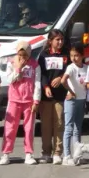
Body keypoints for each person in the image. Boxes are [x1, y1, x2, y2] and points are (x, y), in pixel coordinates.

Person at [0, 42, 41, 165]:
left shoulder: (35, 65)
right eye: (20, 55)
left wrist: (36, 100)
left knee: (28, 128)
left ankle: (29, 153)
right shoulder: (11, 63)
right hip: (14, 100)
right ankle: (6, 153)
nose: (23, 58)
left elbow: (37, 83)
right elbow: (10, 80)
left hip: (29, 101)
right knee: (10, 127)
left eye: (25, 55)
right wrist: (19, 69)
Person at [38, 30, 69, 165]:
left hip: (60, 95)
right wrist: (46, 87)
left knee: (59, 124)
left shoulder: (65, 55)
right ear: (50, 41)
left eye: (62, 39)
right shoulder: (43, 55)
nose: (60, 42)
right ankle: (46, 152)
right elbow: (42, 74)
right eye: (57, 40)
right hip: (46, 96)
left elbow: (69, 70)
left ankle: (57, 152)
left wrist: (61, 78)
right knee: (46, 125)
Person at [62, 45, 88, 166]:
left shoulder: (86, 68)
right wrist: (71, 92)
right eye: (72, 55)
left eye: (76, 55)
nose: (74, 58)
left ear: (82, 56)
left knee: (78, 128)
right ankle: (66, 156)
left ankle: (76, 154)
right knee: (69, 127)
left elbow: (88, 84)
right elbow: (63, 80)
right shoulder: (71, 68)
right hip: (71, 100)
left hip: (81, 100)